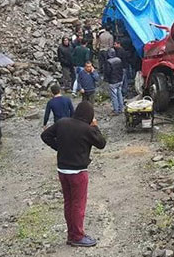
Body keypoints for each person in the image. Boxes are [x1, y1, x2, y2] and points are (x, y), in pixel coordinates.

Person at [40, 102, 106, 248]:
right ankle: (77, 237)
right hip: (78, 172)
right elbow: (102, 143)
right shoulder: (87, 129)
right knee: (78, 205)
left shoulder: (63, 122)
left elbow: (45, 135)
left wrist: (59, 147)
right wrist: (95, 126)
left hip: (62, 170)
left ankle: (72, 234)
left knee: (69, 203)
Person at [103, 49, 124, 114]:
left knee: (114, 96)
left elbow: (107, 72)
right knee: (119, 94)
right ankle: (121, 108)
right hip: (120, 80)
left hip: (113, 81)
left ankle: (116, 110)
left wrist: (106, 79)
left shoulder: (108, 62)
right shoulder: (119, 59)